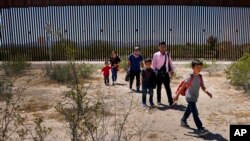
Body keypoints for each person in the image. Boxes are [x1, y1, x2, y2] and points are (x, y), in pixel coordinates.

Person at [173, 59, 213, 137]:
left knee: (189, 109)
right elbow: (183, 86)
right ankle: (200, 128)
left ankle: (183, 121)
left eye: (200, 67)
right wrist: (177, 95)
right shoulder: (190, 76)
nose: (199, 69)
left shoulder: (200, 77)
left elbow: (202, 86)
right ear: (193, 67)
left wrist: (207, 92)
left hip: (195, 97)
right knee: (195, 112)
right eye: (197, 67)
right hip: (189, 97)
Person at [152, 41, 175, 106]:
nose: (163, 48)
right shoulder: (155, 55)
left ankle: (170, 101)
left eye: (164, 46)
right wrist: (153, 74)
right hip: (158, 74)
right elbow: (153, 65)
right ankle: (158, 101)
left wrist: (172, 70)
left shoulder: (168, 54)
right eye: (161, 46)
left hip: (166, 73)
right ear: (159, 47)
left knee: (168, 87)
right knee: (158, 87)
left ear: (166, 47)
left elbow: (170, 62)